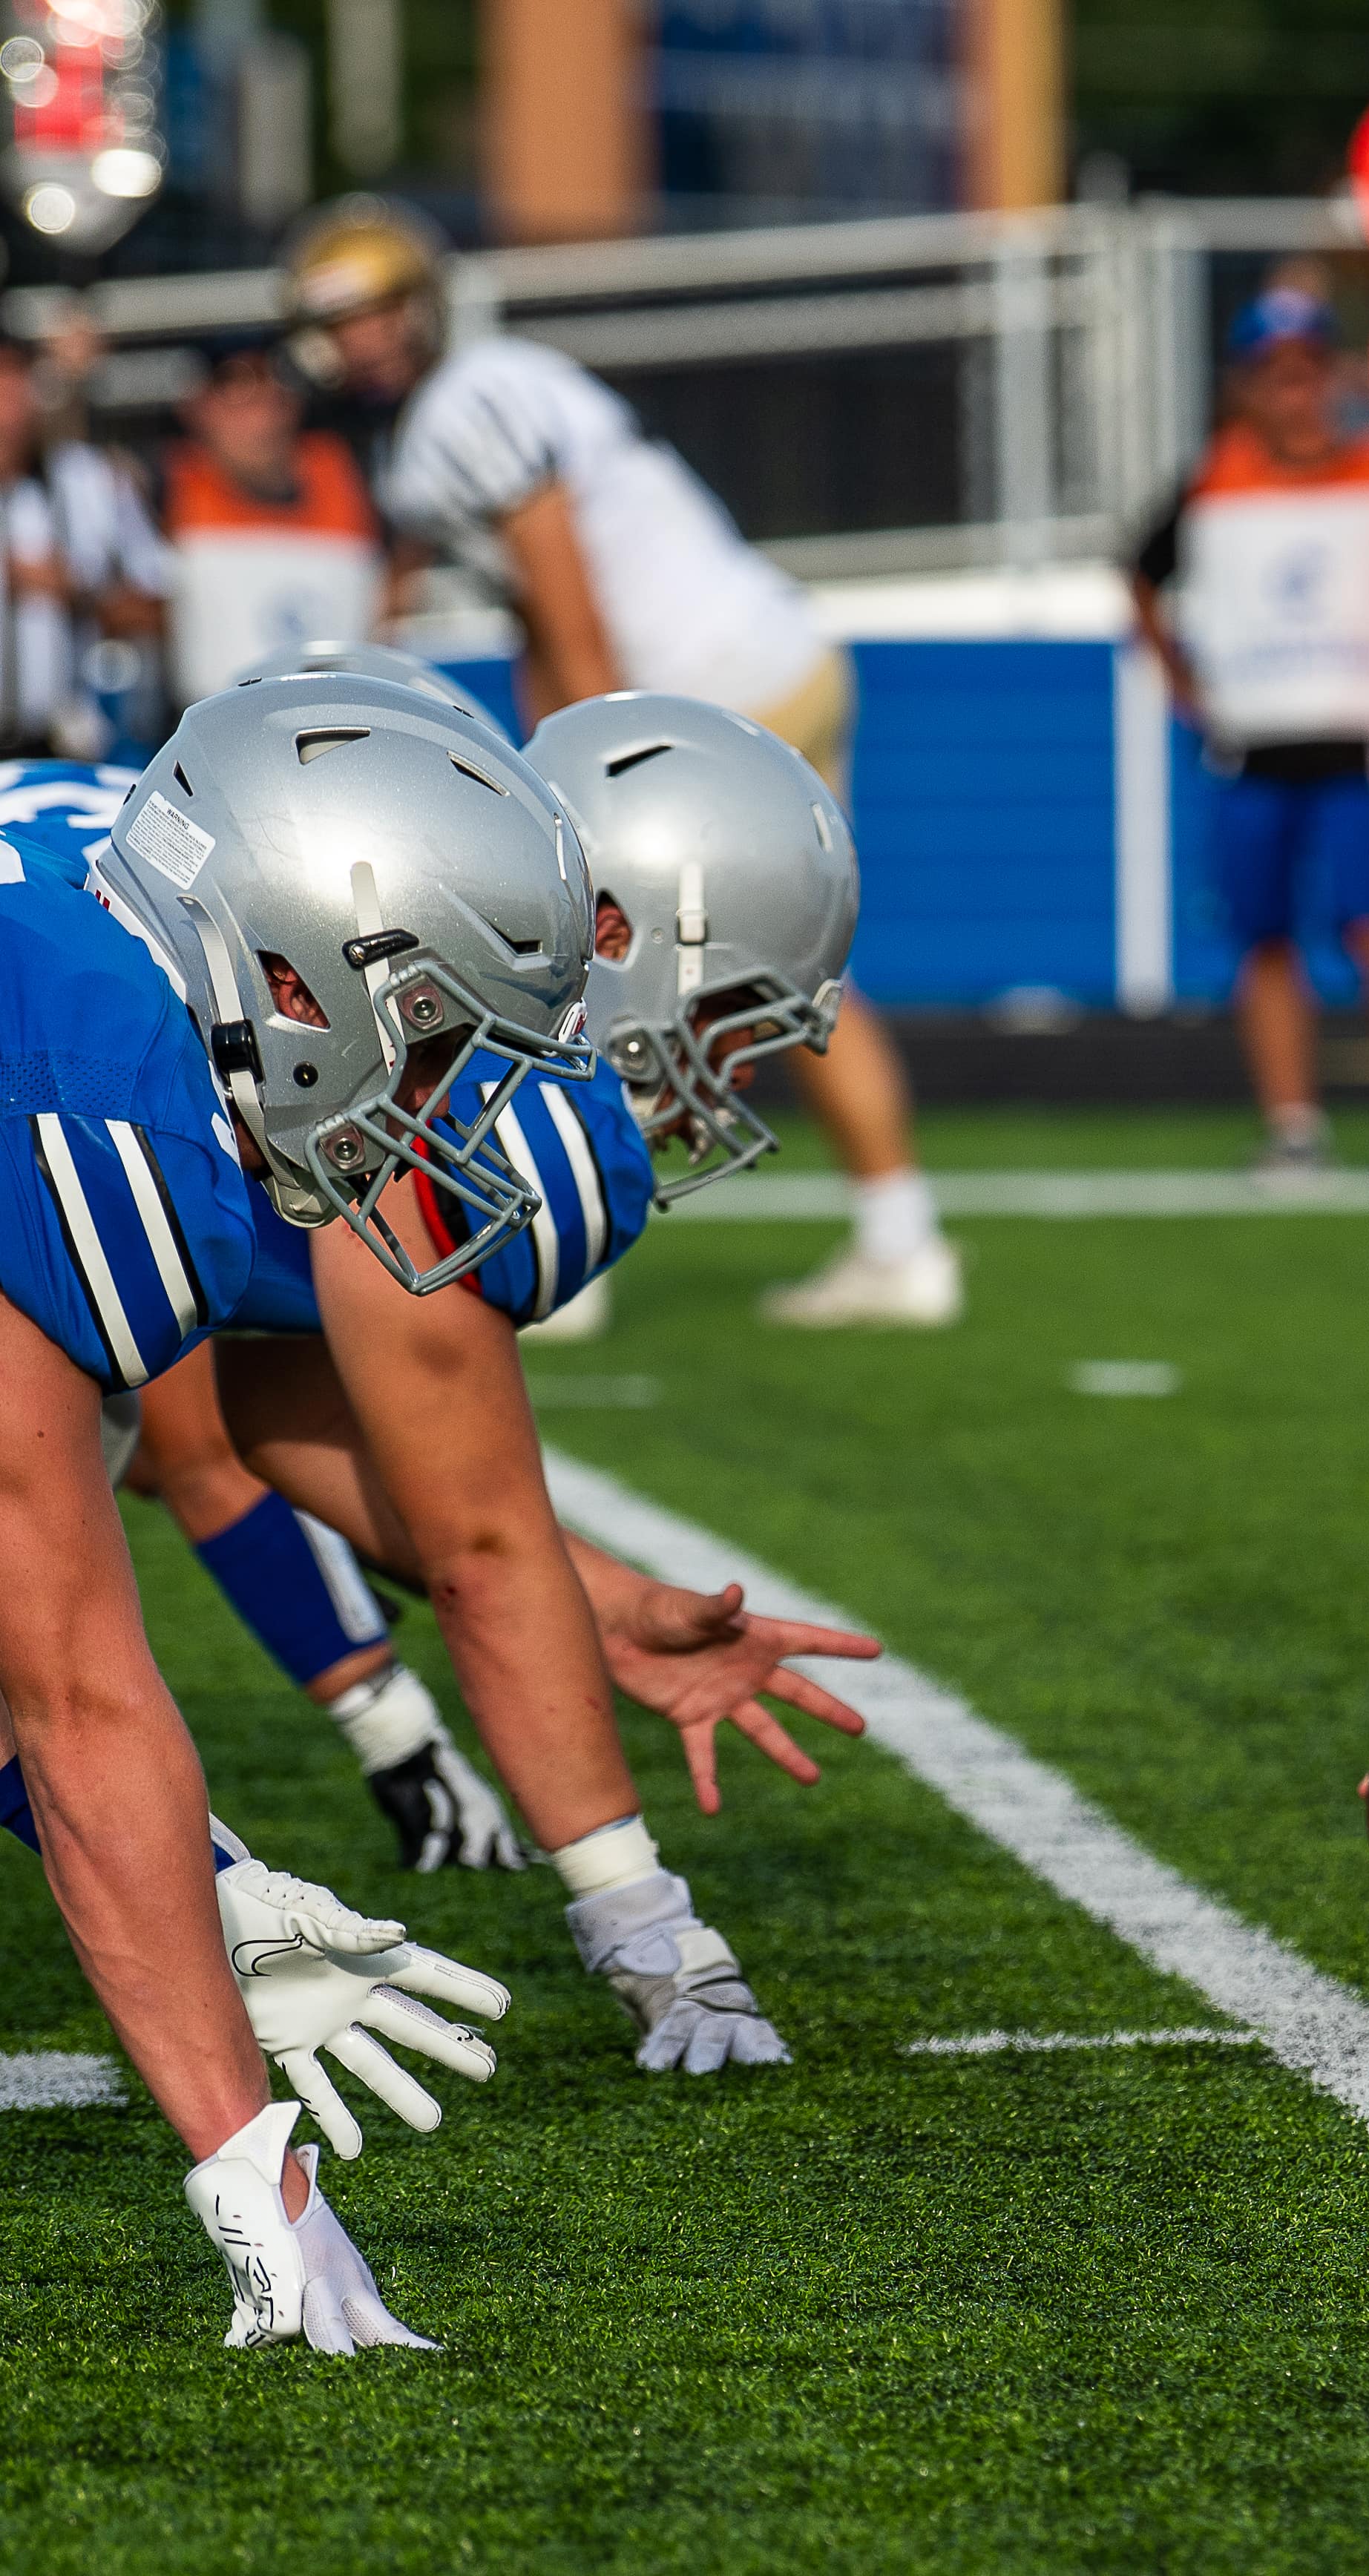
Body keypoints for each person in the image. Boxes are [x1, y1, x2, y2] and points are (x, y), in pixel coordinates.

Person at [80, 677, 883, 2075]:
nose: (730, 1071)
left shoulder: (228, 860)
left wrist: (606, 1600)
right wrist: (648, 1923)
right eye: (738, 1012)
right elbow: (478, 1543)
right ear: (618, 931)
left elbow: (267, 1404)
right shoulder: (449, 1066)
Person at [0, 752, 497, 2347]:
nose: (421, 1100)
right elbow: (71, 1694)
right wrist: (250, 2173)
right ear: (290, 975)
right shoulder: (87, 1096)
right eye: (421, 1035)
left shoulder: (102, 986)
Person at [278, 196, 959, 1330]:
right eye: (344, 321)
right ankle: (901, 1238)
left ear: (419, 305)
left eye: (379, 312)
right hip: (762, 666)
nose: (365, 341)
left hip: (706, 693)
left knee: (583, 970)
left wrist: (585, 772)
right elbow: (536, 615)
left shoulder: (466, 407)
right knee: (764, 978)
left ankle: (562, 1243)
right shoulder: (489, 390)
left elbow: (561, 587)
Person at [1128, 283, 1369, 1183]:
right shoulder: (1213, 480)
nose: (1294, 393)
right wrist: (1183, 680)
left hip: (1355, 741)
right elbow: (1137, 573)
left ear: (1335, 379)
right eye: (1274, 376)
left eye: (1308, 373)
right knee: (1264, 938)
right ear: (1247, 386)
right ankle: (1294, 1128)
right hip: (1251, 747)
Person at [155, 334, 384, 709]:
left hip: (340, 717)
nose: (258, 419)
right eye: (237, 402)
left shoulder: (343, 475)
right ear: (198, 409)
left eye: (268, 396)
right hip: (213, 725)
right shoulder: (167, 487)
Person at [0, 326, 166, 759]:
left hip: (61, 747)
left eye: (15, 378)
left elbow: (155, 605)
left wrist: (80, 590)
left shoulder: (87, 479)